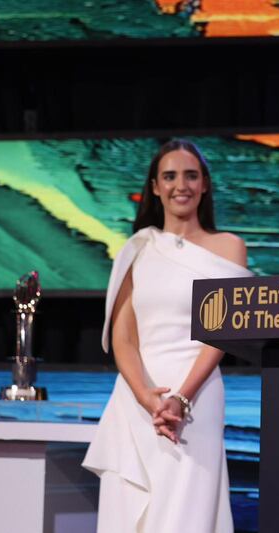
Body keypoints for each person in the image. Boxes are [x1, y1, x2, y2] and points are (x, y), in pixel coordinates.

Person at [83, 139, 251, 533]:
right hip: (137, 399)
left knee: (186, 513)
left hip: (197, 397)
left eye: (191, 176)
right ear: (155, 187)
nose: (181, 185)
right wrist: (147, 397)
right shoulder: (138, 248)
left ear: (204, 184)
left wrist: (181, 398)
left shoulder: (229, 247)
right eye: (170, 176)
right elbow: (124, 338)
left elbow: (221, 333)